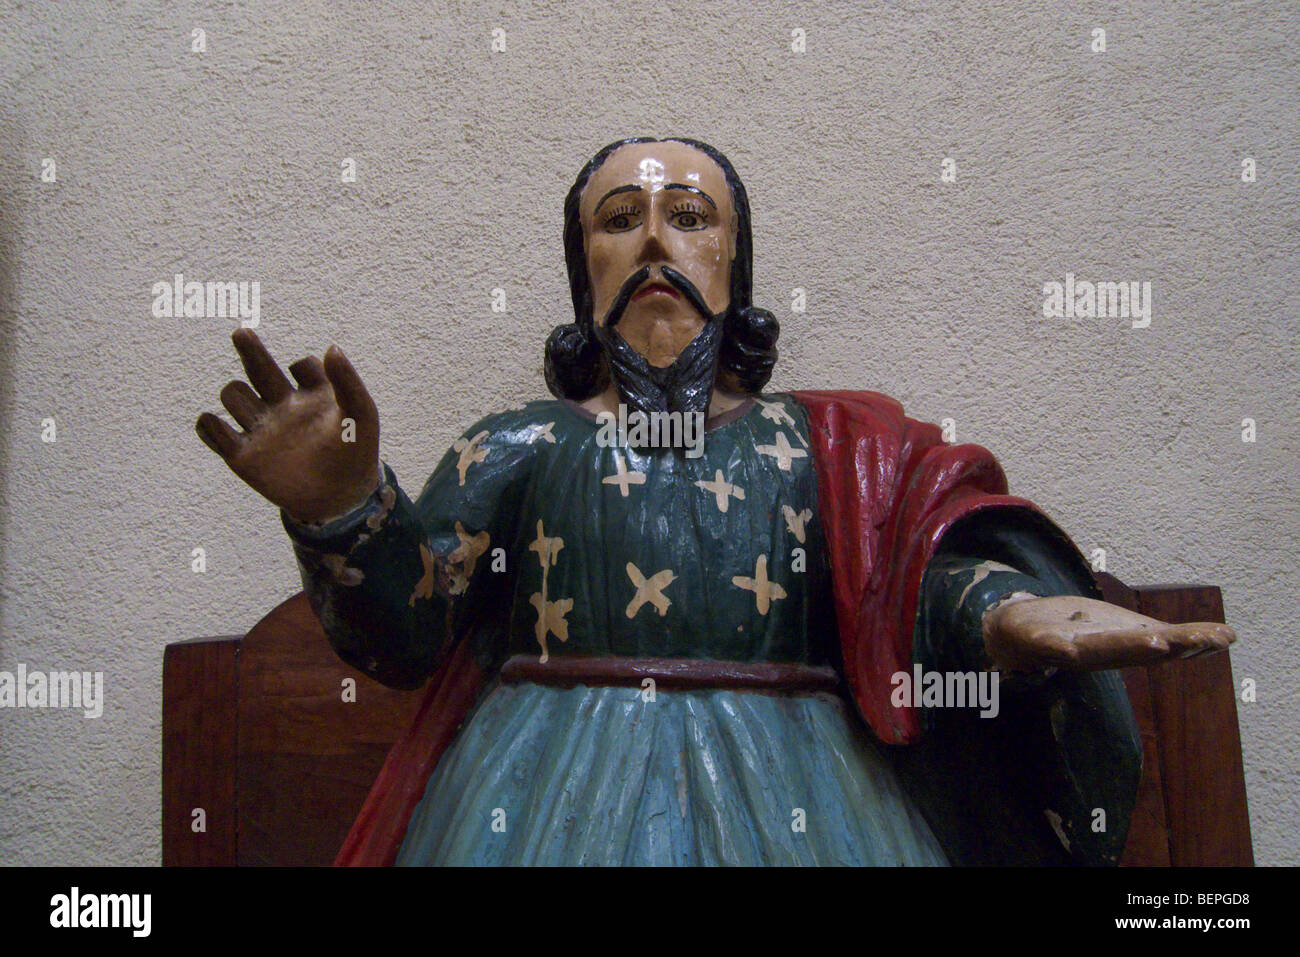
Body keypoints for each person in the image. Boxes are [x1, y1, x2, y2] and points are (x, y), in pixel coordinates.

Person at [196, 137, 1234, 866]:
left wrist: (1010, 615)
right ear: (582, 270)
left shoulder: (818, 447)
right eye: (619, 221)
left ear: (734, 266)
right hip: (542, 796)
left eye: (688, 217)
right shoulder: (521, 444)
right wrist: (339, 510)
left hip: (805, 799)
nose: (655, 240)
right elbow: (404, 636)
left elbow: (906, 580)